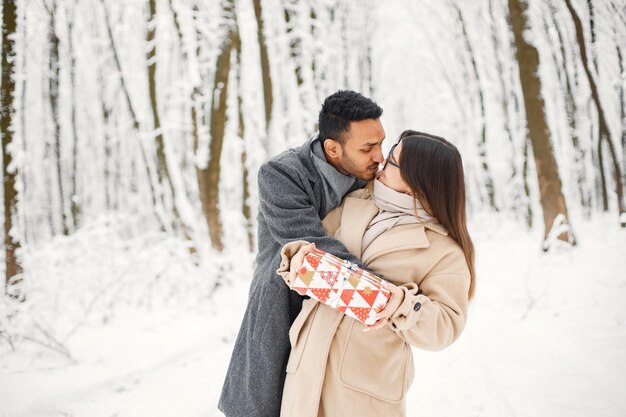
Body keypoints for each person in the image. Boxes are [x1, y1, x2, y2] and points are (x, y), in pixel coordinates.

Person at [276, 130, 475, 417]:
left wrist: (401, 305)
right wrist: (296, 260)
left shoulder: (442, 250)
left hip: (364, 389)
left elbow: (446, 326)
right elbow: (314, 248)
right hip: (306, 373)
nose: (382, 163)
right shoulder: (352, 203)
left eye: (393, 162)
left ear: (419, 180)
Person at [218, 90, 387, 417]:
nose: (379, 156)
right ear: (332, 148)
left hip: (343, 312)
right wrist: (380, 294)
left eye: (380, 143)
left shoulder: (373, 177)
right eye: (368, 148)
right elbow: (311, 247)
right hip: (284, 304)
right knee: (271, 405)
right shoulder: (282, 174)